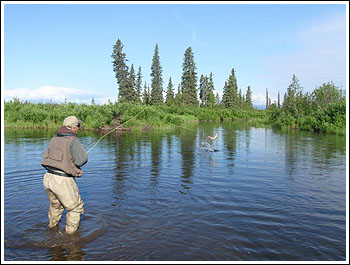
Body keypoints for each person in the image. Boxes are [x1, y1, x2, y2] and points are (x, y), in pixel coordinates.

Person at [41, 116, 88, 234]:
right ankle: (71, 238)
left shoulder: (54, 139)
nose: (79, 128)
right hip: (62, 181)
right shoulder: (73, 140)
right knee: (75, 208)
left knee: (56, 205)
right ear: (72, 127)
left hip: (48, 178)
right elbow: (81, 160)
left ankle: (51, 228)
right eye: (78, 126)